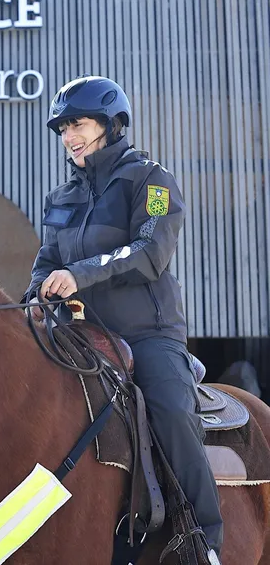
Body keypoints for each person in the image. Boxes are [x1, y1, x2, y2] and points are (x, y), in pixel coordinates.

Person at [26, 76, 223, 557]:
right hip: (81, 337)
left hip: (147, 334)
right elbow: (46, 262)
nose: (69, 136)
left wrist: (80, 274)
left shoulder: (152, 180)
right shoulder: (61, 197)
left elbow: (151, 253)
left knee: (173, 414)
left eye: (78, 123)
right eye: (63, 128)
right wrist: (33, 298)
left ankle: (206, 541)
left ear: (111, 124)